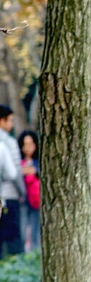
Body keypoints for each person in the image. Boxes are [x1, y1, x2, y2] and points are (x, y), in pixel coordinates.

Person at [0, 105, 25, 258]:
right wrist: (22, 192)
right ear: (2, 121)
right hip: (8, 196)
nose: (12, 124)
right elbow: (14, 172)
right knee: (14, 240)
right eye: (10, 120)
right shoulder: (7, 143)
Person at [18, 130, 41, 251]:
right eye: (24, 144)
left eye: (30, 144)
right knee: (22, 230)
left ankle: (35, 252)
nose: (27, 148)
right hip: (22, 201)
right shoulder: (18, 163)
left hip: (36, 201)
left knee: (36, 230)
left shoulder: (39, 163)